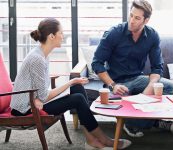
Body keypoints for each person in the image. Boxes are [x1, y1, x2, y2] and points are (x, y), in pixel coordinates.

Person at [10, 18, 131, 150]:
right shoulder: (37, 58)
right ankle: (104, 140)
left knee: (77, 87)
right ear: (51, 36)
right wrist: (69, 83)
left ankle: (91, 140)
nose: (63, 36)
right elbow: (44, 96)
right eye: (61, 33)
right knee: (77, 98)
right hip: (25, 108)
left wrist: (70, 85)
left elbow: (41, 92)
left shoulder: (43, 54)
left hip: (34, 99)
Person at [91, 0, 173, 138]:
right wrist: (112, 85)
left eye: (137, 18)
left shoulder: (152, 36)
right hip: (117, 82)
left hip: (138, 78)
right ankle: (146, 123)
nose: (131, 20)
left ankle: (141, 122)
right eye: (131, 15)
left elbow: (157, 68)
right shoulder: (114, 33)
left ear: (146, 20)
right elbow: (96, 63)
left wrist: (149, 89)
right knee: (121, 100)